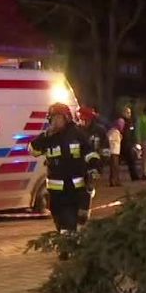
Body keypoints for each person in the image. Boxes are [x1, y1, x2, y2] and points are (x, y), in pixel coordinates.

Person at [30, 103, 102, 259]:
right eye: (52, 119)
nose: (55, 122)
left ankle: (68, 252)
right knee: (62, 225)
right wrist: (45, 136)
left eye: (58, 118)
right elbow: (32, 150)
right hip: (56, 193)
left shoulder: (77, 134)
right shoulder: (48, 138)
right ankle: (69, 249)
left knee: (71, 224)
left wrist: (93, 168)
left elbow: (91, 154)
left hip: (76, 190)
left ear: (67, 118)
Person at [120, 105, 140, 181]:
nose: (129, 114)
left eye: (129, 112)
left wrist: (134, 142)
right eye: (127, 112)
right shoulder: (121, 121)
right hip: (122, 143)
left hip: (129, 144)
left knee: (131, 161)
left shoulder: (130, 122)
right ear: (123, 113)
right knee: (118, 162)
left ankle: (134, 176)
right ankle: (115, 179)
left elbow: (132, 133)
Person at [107, 119, 124, 187]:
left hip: (116, 151)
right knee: (114, 167)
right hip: (113, 152)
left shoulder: (117, 132)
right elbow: (109, 140)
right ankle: (113, 181)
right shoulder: (113, 131)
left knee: (116, 167)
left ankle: (116, 180)